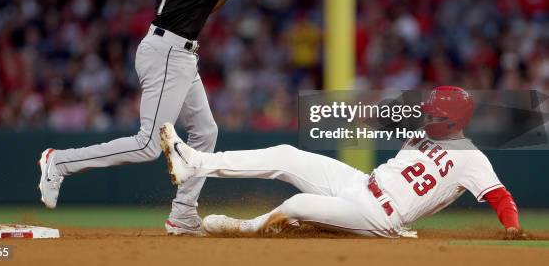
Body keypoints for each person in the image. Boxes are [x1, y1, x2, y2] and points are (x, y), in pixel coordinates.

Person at [38, 0, 338, 235]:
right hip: (168, 52)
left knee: (206, 132)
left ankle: (182, 214)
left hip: (173, 49)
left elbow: (206, 6)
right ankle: (60, 161)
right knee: (148, 145)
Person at [160, 86, 528, 239]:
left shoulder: (471, 158)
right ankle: (196, 163)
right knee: (287, 156)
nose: (427, 115)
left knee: (297, 205)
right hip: (359, 183)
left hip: (382, 216)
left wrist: (511, 227)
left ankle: (244, 228)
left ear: (454, 122)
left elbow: (500, 197)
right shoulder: (425, 127)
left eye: (434, 114)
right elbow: (383, 118)